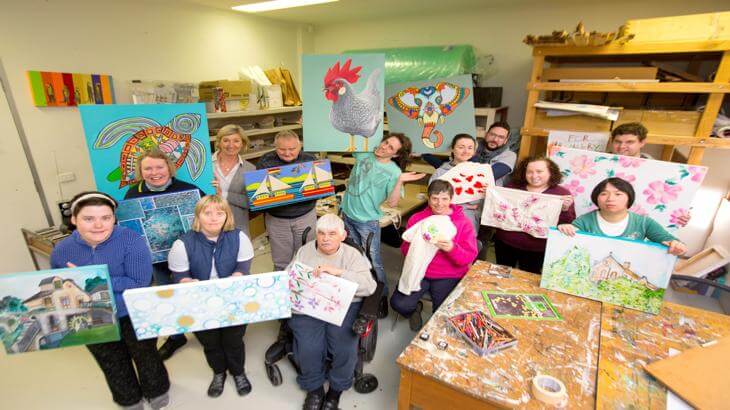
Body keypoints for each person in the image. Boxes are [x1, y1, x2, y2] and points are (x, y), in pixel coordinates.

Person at [51, 191, 170, 410]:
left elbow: (137, 282)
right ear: (74, 219)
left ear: (114, 218)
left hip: (132, 312)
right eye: (89, 218)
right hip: (89, 317)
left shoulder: (131, 240)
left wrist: (91, 279)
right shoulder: (61, 251)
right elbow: (59, 287)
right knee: (111, 361)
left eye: (105, 218)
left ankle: (157, 394)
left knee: (146, 355)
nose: (98, 225)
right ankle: (129, 401)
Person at [287, 214, 377, 410]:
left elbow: (370, 287)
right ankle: (315, 390)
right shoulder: (304, 251)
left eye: (332, 233)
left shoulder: (351, 255)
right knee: (308, 348)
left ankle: (335, 391)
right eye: (321, 233)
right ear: (316, 235)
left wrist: (339, 273)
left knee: (345, 349)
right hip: (310, 305)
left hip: (344, 305)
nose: (325, 238)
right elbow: (289, 278)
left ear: (343, 236)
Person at [168, 195, 254, 398]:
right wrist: (187, 283)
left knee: (234, 340)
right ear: (198, 216)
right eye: (207, 213)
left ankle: (238, 372)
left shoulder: (239, 237)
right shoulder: (182, 244)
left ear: (227, 216)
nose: (214, 218)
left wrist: (233, 281)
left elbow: (243, 268)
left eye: (219, 213)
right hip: (199, 302)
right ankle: (218, 373)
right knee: (211, 342)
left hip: (233, 297)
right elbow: (180, 277)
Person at [124, 149, 207, 360]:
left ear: (169, 168)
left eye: (159, 167)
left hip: (191, 257)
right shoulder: (133, 195)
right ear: (141, 172)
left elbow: (209, 215)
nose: (154, 172)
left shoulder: (189, 190)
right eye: (148, 168)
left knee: (195, 292)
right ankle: (176, 336)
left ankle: (205, 329)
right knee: (167, 296)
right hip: (158, 261)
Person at [340, 133, 424, 315]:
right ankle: (360, 291)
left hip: (367, 222)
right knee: (353, 256)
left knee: (374, 261)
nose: (384, 147)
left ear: (395, 155)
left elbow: (393, 203)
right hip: (347, 215)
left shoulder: (393, 171)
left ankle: (381, 296)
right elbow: (343, 138)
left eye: (391, 148)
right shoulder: (364, 153)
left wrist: (399, 180)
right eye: (386, 142)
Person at [390, 180, 478, 331]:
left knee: (444, 315)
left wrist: (451, 248)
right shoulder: (418, 219)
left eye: (444, 198)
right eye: (435, 198)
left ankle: (434, 331)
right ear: (428, 198)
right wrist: (418, 245)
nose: (439, 203)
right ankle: (414, 310)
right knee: (399, 304)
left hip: (449, 275)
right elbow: (405, 250)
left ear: (451, 199)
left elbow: (468, 258)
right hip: (420, 272)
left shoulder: (463, 223)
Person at [558, 177, 687, 256]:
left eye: (618, 194)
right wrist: (564, 229)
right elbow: (569, 244)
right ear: (596, 198)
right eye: (604, 194)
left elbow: (671, 241)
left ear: (629, 198)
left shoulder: (644, 223)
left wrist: (678, 246)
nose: (610, 199)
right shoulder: (584, 221)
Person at [493, 156, 576, 273]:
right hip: (505, 243)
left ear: (550, 172)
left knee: (529, 279)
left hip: (537, 248)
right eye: (529, 172)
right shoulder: (512, 188)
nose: (534, 176)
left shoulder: (561, 194)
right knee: (501, 274)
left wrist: (564, 209)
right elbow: (498, 210)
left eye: (539, 171)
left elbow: (567, 223)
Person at [256, 130, 317, 271]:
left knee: (307, 259)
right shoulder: (265, 162)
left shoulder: (310, 159)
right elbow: (259, 195)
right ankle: (283, 289)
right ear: (275, 147)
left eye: (292, 149)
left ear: (300, 146)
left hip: (305, 217)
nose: (287, 153)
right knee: (281, 262)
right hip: (277, 220)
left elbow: (320, 189)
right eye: (282, 149)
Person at [610, 122, 691, 227]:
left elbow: (675, 198)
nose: (622, 146)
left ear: (642, 142)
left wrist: (682, 215)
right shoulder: (598, 164)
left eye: (629, 142)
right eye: (618, 141)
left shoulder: (659, 171)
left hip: (638, 226)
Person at [429, 133, 482, 232]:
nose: (466, 151)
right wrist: (465, 206)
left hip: (468, 223)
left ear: (474, 151)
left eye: (470, 148)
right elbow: (434, 200)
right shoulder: (440, 172)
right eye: (461, 147)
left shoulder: (479, 173)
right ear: (453, 149)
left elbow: (479, 202)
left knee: (465, 246)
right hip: (444, 221)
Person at [211, 124, 256, 234]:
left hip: (237, 226)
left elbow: (252, 202)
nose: (231, 145)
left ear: (242, 144)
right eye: (226, 140)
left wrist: (224, 194)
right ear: (219, 142)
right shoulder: (204, 164)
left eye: (236, 141)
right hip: (208, 224)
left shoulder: (250, 169)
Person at [473, 121, 517, 186]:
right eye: (492, 134)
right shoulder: (472, 147)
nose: (495, 139)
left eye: (501, 137)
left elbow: (490, 175)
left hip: (489, 194)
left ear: (505, 141)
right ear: (486, 135)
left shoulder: (509, 155)